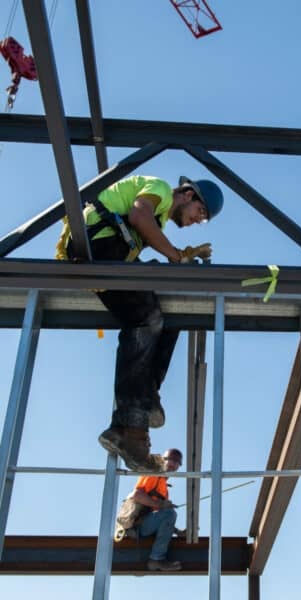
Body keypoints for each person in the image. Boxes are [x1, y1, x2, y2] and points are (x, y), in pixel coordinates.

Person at [56, 174, 224, 471]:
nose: (198, 220)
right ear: (187, 194)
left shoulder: (157, 220)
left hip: (111, 254)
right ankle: (131, 425)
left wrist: (175, 256)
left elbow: (145, 225)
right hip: (98, 244)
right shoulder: (159, 187)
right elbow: (138, 216)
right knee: (145, 318)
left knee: (171, 316)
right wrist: (176, 256)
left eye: (205, 219)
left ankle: (145, 397)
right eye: (201, 212)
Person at [129, 448, 184, 571]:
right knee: (169, 513)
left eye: (177, 463)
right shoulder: (154, 474)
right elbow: (136, 495)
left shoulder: (163, 487)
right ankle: (156, 559)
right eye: (171, 461)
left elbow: (159, 517)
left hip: (145, 524)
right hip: (136, 525)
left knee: (169, 513)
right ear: (163, 460)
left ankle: (157, 558)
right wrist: (160, 504)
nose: (174, 465)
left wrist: (177, 531)